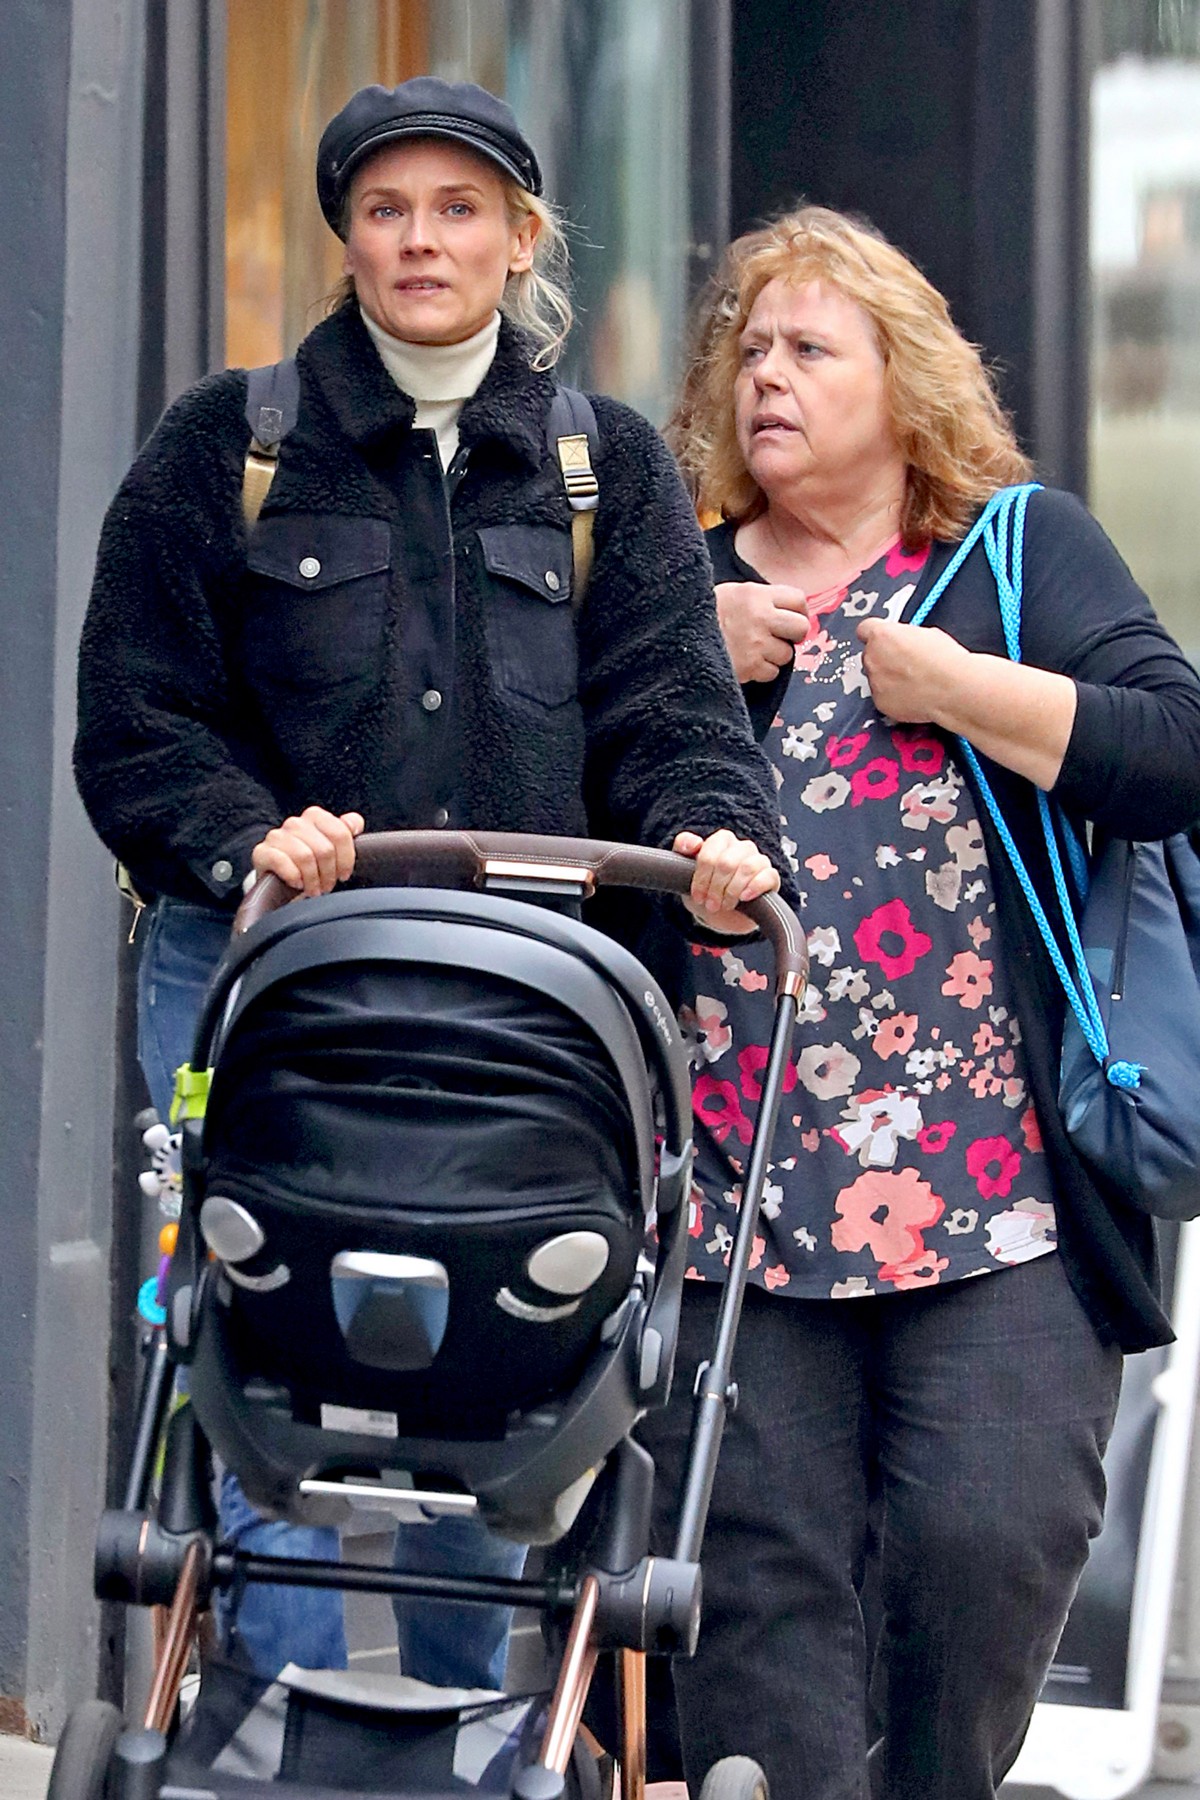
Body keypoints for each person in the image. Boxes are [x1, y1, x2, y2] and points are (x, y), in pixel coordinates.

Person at [73, 77, 785, 1686]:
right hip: (276, 985)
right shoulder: (232, 445)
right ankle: (268, 1730)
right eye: (387, 210)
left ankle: (485, 1733)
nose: (420, 241)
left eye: (458, 209)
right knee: (274, 1364)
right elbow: (136, 715)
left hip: (525, 1016)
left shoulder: (606, 469)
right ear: (346, 238)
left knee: (510, 1373)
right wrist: (248, 832)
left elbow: (674, 714)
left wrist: (722, 846)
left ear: (520, 237)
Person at [636, 205, 1200, 1800]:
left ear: (907, 381)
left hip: (997, 1200)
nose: (769, 378)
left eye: (813, 348)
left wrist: (957, 684)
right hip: (738, 1204)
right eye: (748, 350)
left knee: (990, 1543)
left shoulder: (1018, 557)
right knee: (756, 1609)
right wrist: (692, 650)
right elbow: (561, 815)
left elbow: (1173, 750)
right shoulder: (674, 587)